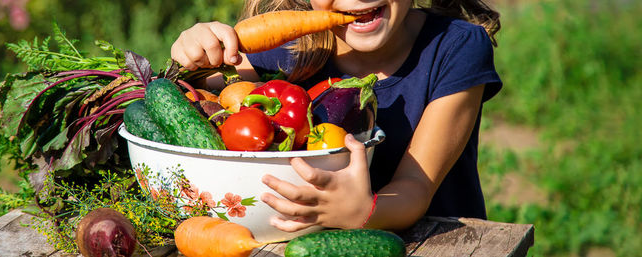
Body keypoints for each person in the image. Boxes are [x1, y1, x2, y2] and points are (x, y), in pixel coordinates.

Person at [171, 0, 502, 231]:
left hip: (438, 241)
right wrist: (198, 54)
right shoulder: (282, 47)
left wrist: (361, 211)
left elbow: (415, 187)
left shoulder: (456, 46)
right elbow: (203, 95)